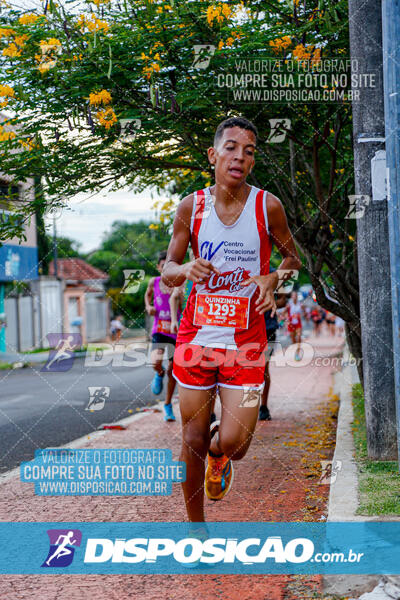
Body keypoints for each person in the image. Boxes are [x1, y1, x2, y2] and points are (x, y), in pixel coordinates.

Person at [162, 116, 301, 522]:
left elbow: (294, 261)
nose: (240, 156)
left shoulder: (267, 206)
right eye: (231, 147)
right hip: (197, 334)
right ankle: (196, 528)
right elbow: (167, 267)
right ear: (213, 155)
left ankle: (221, 455)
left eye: (249, 150)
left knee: (238, 441)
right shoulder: (192, 206)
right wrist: (185, 271)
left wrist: (274, 277)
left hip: (247, 338)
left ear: (253, 161)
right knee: (191, 438)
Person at [145, 251, 182, 421]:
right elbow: (148, 295)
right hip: (159, 329)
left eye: (169, 266)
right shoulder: (154, 282)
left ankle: (167, 405)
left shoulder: (179, 284)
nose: (166, 269)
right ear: (159, 268)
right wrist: (148, 306)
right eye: (163, 266)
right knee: (155, 361)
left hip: (175, 332)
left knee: (173, 371)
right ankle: (158, 373)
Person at [259, 291, 287, 421]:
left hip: (267, 328)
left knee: (263, 367)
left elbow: (283, 300)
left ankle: (263, 407)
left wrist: (270, 303)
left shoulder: (273, 273)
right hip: (242, 328)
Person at [284, 291, 303, 360]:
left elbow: (303, 313)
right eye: (293, 295)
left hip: (298, 323)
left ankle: (297, 354)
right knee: (293, 339)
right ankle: (295, 351)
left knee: (299, 337)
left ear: (297, 296)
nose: (294, 297)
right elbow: (283, 313)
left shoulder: (300, 304)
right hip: (291, 324)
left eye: (296, 295)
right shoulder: (289, 304)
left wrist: (299, 315)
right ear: (291, 297)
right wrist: (287, 319)